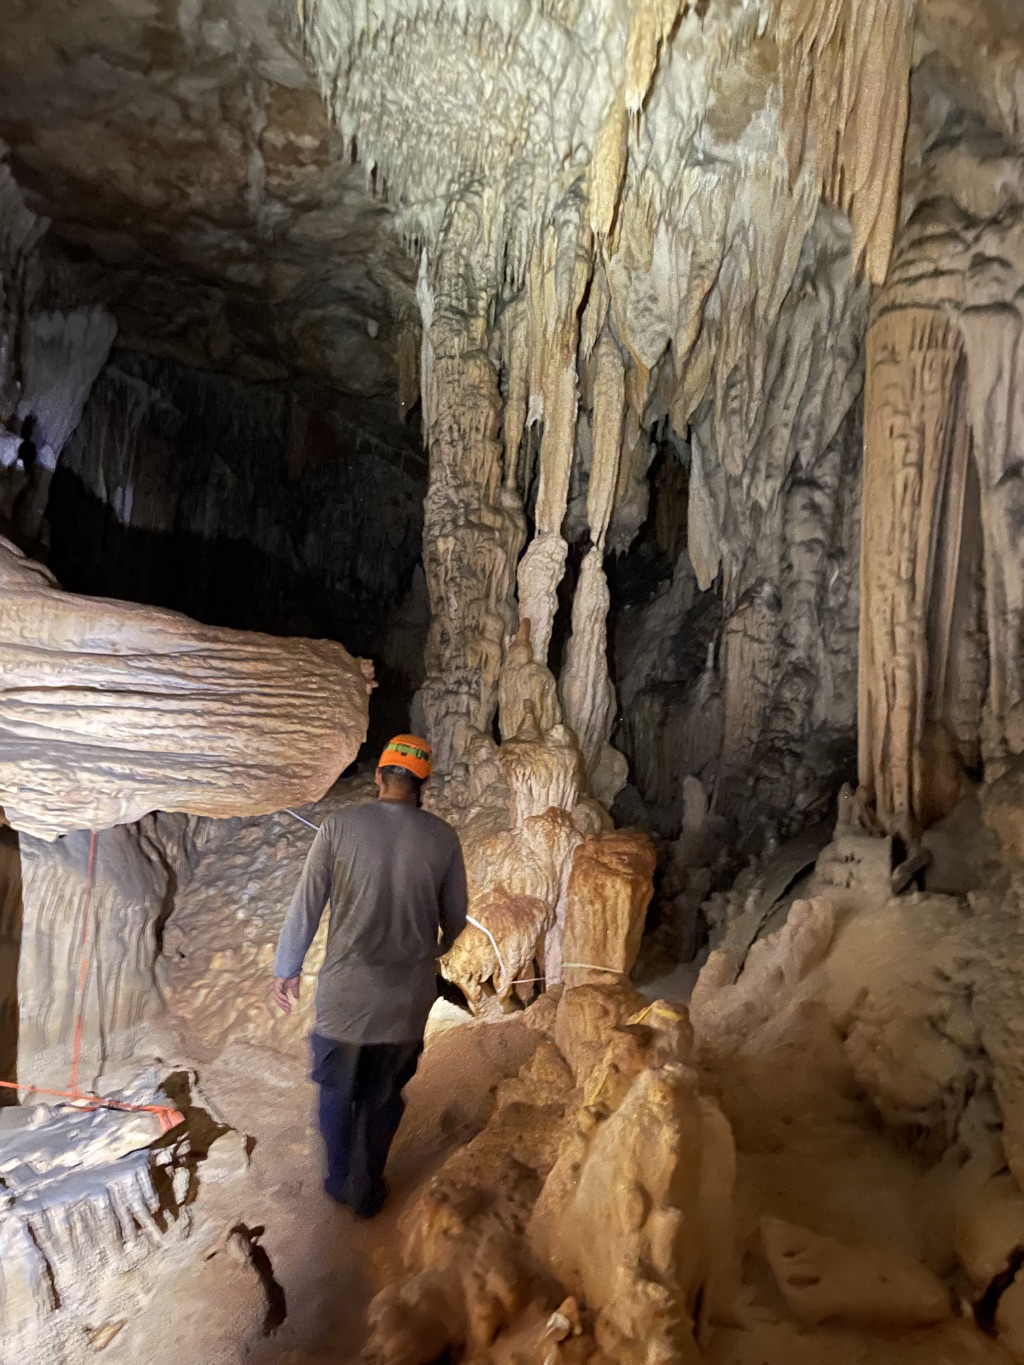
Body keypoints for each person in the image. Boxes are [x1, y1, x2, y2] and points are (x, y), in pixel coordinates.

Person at [272, 734, 467, 1218]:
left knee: (338, 1092)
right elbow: (456, 918)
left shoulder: (338, 828)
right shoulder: (442, 838)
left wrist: (287, 968)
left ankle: (340, 1179)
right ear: (423, 783)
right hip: (406, 1001)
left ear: (380, 777)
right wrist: (433, 949)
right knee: (383, 1097)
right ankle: (369, 1186)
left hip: (346, 998)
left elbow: (307, 905)